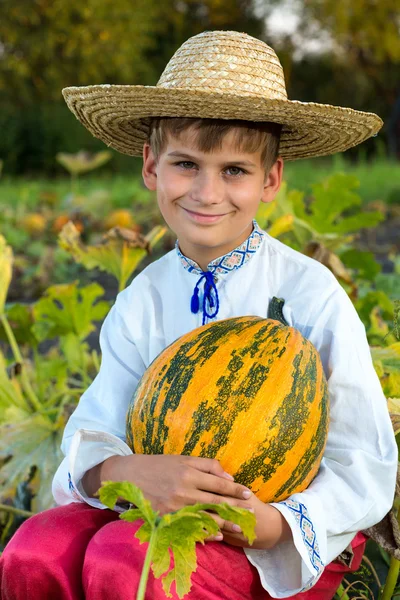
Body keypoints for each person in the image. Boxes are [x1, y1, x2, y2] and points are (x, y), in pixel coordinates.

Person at [0, 30, 397, 600]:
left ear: (271, 180)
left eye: (234, 170)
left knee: (125, 560)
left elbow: (363, 459)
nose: (207, 192)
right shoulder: (145, 297)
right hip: (156, 504)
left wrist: (273, 524)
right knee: (34, 550)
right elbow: (99, 424)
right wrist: (123, 471)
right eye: (186, 164)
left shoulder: (311, 293)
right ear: (150, 167)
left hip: (269, 529)